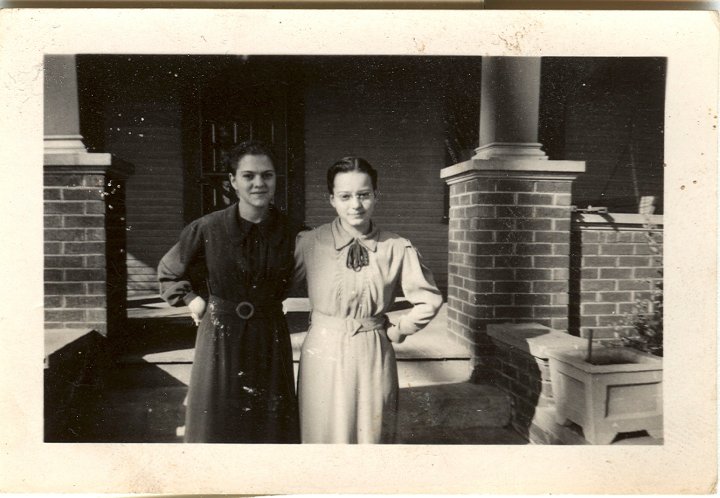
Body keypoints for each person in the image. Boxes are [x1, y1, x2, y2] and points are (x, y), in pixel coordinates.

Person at [157, 140, 299, 443]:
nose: (259, 183)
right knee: (218, 422)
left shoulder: (292, 232)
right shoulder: (207, 228)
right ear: (233, 181)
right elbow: (169, 272)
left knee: (269, 423)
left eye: (267, 175)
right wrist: (193, 299)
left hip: (269, 335)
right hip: (219, 335)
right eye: (248, 176)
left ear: (276, 179)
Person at [293, 156, 443, 444]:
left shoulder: (396, 247)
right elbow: (277, 283)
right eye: (345, 196)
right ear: (331, 200)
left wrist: (399, 329)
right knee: (322, 429)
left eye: (363, 195)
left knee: (371, 430)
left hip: (372, 348)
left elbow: (429, 299)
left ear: (376, 196)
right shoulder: (310, 242)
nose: (355, 205)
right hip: (323, 348)